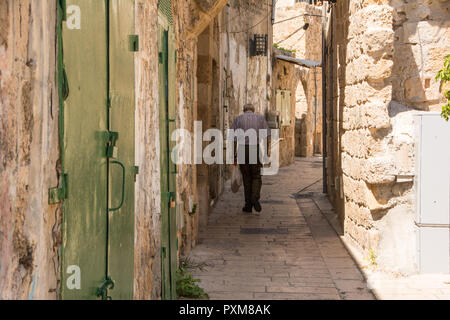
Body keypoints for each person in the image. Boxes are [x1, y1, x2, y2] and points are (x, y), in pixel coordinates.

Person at [232, 103, 271, 213]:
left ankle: (248, 205)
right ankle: (254, 197)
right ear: (253, 110)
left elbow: (234, 139)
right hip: (255, 148)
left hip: (242, 149)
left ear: (244, 110)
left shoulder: (238, 119)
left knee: (246, 177)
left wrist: (234, 154)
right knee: (256, 176)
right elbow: (267, 136)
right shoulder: (260, 118)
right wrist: (266, 153)